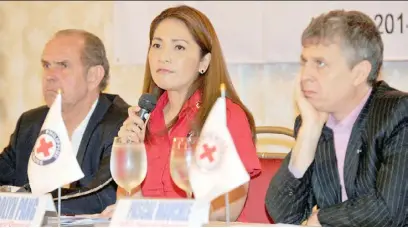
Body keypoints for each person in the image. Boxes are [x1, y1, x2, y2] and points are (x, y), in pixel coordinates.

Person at [101, 5, 261, 222]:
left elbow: (226, 210)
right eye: (157, 45)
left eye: (179, 48)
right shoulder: (144, 117)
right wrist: (130, 155)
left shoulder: (224, 117)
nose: (163, 57)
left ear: (204, 62)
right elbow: (130, 200)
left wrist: (153, 212)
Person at [265, 10, 408, 227]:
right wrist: (310, 132)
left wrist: (323, 218)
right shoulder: (315, 121)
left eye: (320, 63)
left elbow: (388, 211)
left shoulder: (398, 113)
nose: (306, 75)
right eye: (305, 62)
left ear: (359, 73)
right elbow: (284, 214)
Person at [0, 29, 129, 215]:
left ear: (93, 76)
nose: (49, 75)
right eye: (46, 65)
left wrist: (28, 206)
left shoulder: (123, 125)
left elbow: (101, 197)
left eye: (63, 66)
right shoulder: (30, 124)